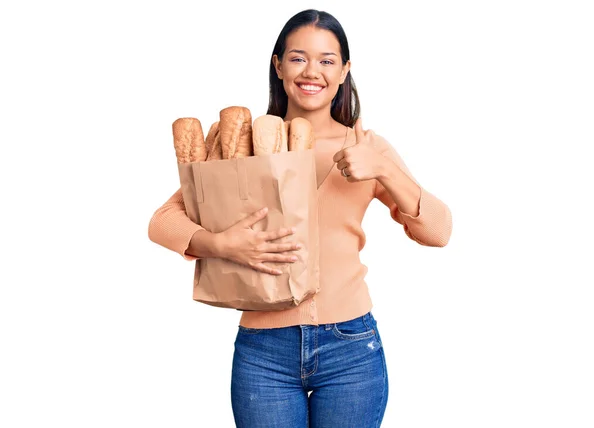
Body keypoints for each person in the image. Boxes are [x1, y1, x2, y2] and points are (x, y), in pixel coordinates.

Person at [148, 8, 452, 428]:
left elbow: (438, 231)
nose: (313, 71)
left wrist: (384, 169)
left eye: (327, 60)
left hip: (351, 348)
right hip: (264, 352)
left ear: (344, 71)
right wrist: (220, 244)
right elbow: (162, 220)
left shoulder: (366, 146)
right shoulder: (249, 146)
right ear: (278, 66)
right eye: (298, 58)